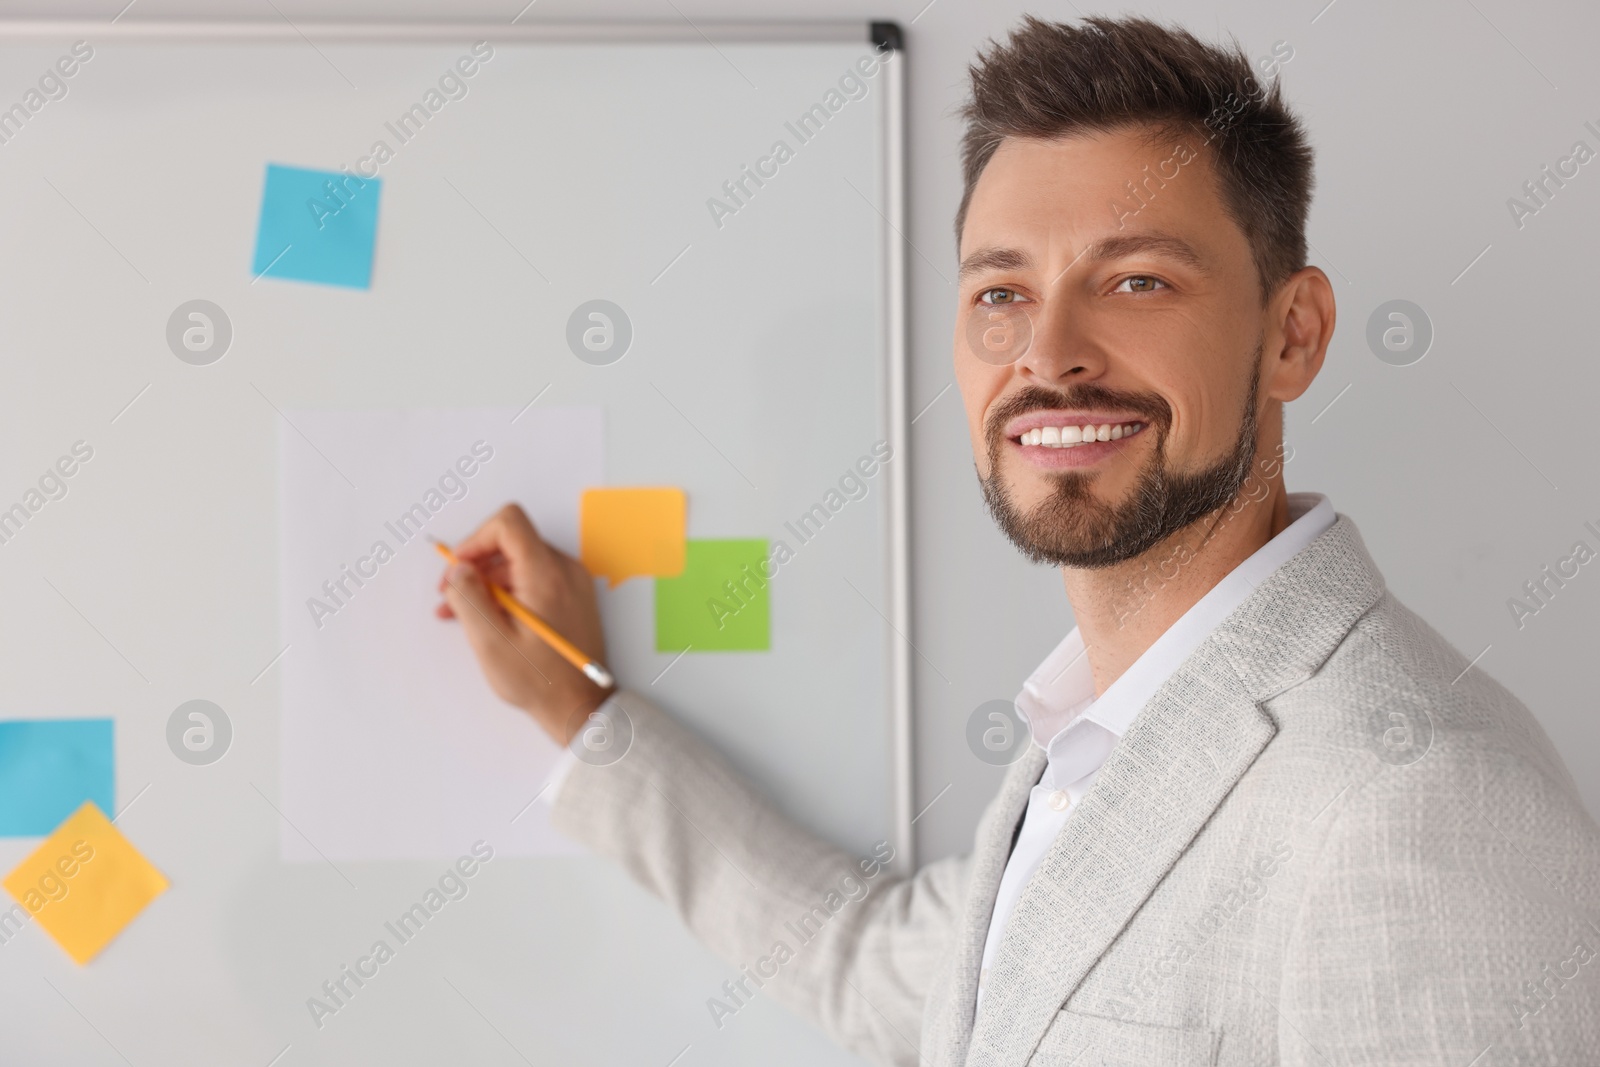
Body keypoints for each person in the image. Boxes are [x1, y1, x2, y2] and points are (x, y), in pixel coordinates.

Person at [434, 15, 1600, 1066]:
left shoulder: (1419, 798)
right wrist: (580, 713)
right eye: (1000, 292)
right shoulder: (1095, 734)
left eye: (1134, 280)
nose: (1046, 353)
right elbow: (875, 965)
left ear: (1293, 334)